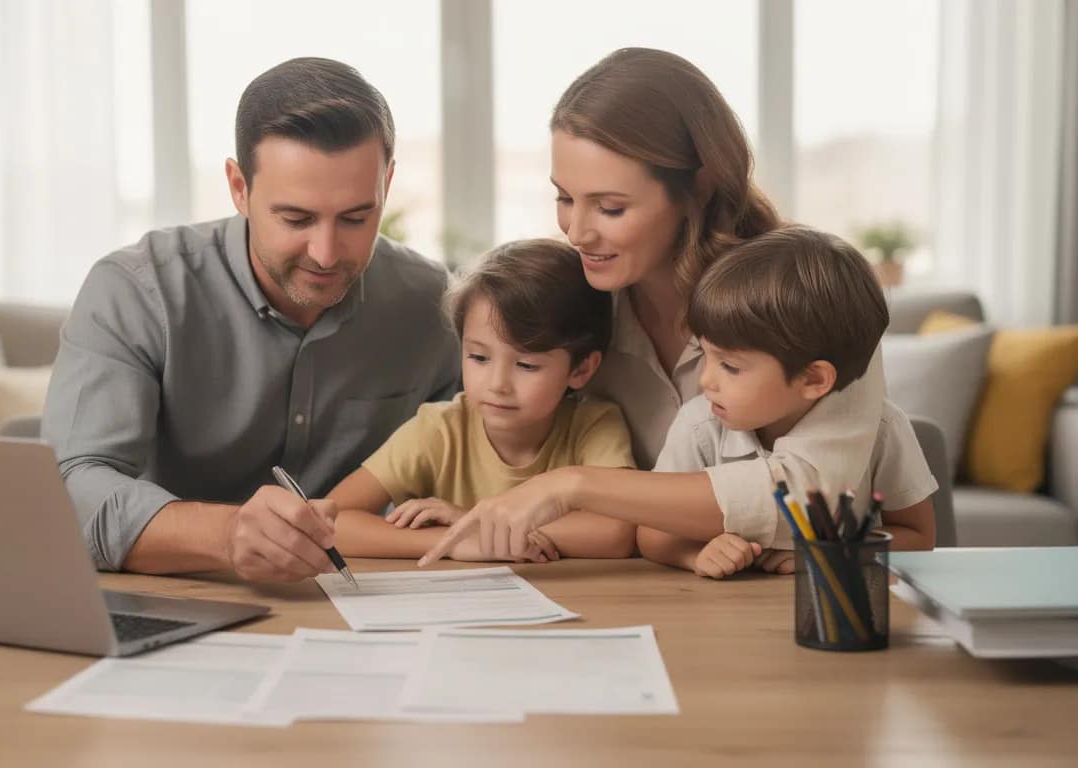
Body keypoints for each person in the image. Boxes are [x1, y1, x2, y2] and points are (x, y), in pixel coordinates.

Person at [420, 48, 889, 567]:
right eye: (564, 198)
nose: (576, 232)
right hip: (630, 590)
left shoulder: (805, 296)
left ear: (697, 187)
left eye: (610, 207)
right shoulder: (574, 306)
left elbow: (815, 495)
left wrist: (575, 486)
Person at [43, 57, 459, 580]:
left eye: (356, 217)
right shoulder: (136, 291)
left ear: (387, 184)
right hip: (178, 597)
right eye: (296, 218)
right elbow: (71, 486)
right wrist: (225, 535)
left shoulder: (433, 304)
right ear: (239, 187)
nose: (327, 253)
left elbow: (484, 453)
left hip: (374, 598)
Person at [638, 227, 937, 578]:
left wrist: (835, 555)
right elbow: (652, 535)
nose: (706, 381)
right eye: (705, 355)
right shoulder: (699, 425)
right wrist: (695, 553)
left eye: (730, 366)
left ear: (813, 379)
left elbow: (919, 536)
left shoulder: (883, 429)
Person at [327, 239, 637, 561]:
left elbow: (617, 533)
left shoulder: (595, 426)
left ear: (581, 369)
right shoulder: (438, 430)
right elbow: (331, 521)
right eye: (479, 357)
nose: (497, 384)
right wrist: (456, 542)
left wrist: (471, 522)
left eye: (527, 365)